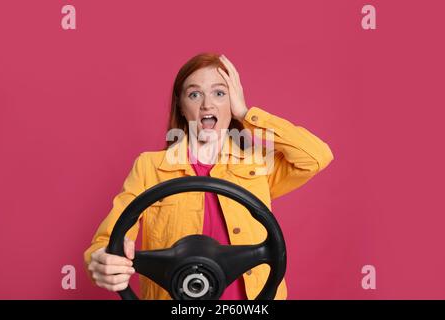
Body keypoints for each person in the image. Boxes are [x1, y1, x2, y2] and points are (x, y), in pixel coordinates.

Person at [84, 53, 334, 300]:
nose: (207, 105)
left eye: (219, 93)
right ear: (181, 106)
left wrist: (247, 113)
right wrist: (104, 259)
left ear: (232, 102)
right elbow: (106, 242)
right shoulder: (149, 167)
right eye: (194, 94)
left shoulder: (257, 164)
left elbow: (316, 156)